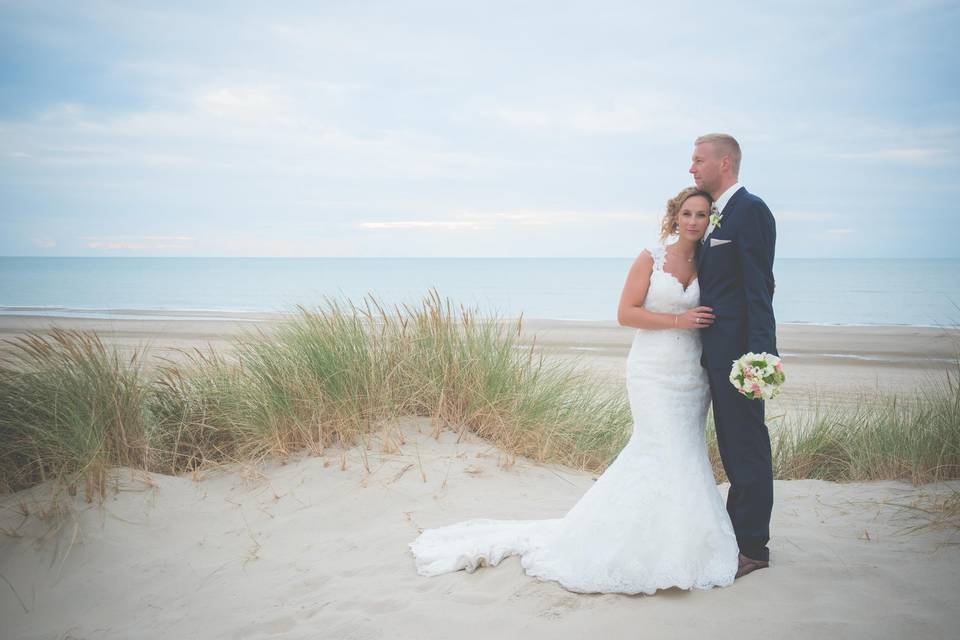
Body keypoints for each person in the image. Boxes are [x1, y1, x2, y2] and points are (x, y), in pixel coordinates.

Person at [407, 187, 739, 594]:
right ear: (674, 218)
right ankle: (625, 541)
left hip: (693, 373)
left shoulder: (711, 262)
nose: (693, 221)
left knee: (686, 453)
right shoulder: (649, 258)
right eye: (687, 213)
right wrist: (679, 322)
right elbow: (625, 313)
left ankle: (685, 541)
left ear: (710, 221)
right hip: (653, 369)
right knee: (657, 447)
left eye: (702, 215)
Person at [689, 133, 778, 579]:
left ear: (725, 164)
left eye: (698, 160)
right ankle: (738, 534)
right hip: (717, 354)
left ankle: (753, 548)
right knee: (732, 446)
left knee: (747, 448)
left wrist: (760, 359)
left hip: (741, 357)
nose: (692, 168)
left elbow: (761, 290)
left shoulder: (751, 210)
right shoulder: (717, 218)